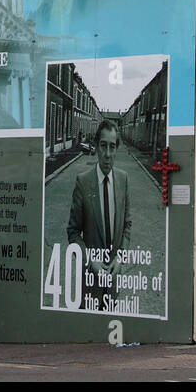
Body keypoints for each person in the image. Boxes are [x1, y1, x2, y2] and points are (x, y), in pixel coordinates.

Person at [67, 120, 130, 311]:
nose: (108, 154)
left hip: (113, 281)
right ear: (96, 146)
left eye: (112, 147)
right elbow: (72, 231)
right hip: (90, 284)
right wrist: (90, 261)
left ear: (117, 149)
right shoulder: (83, 182)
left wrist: (119, 257)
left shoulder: (123, 179)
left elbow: (127, 226)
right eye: (103, 146)